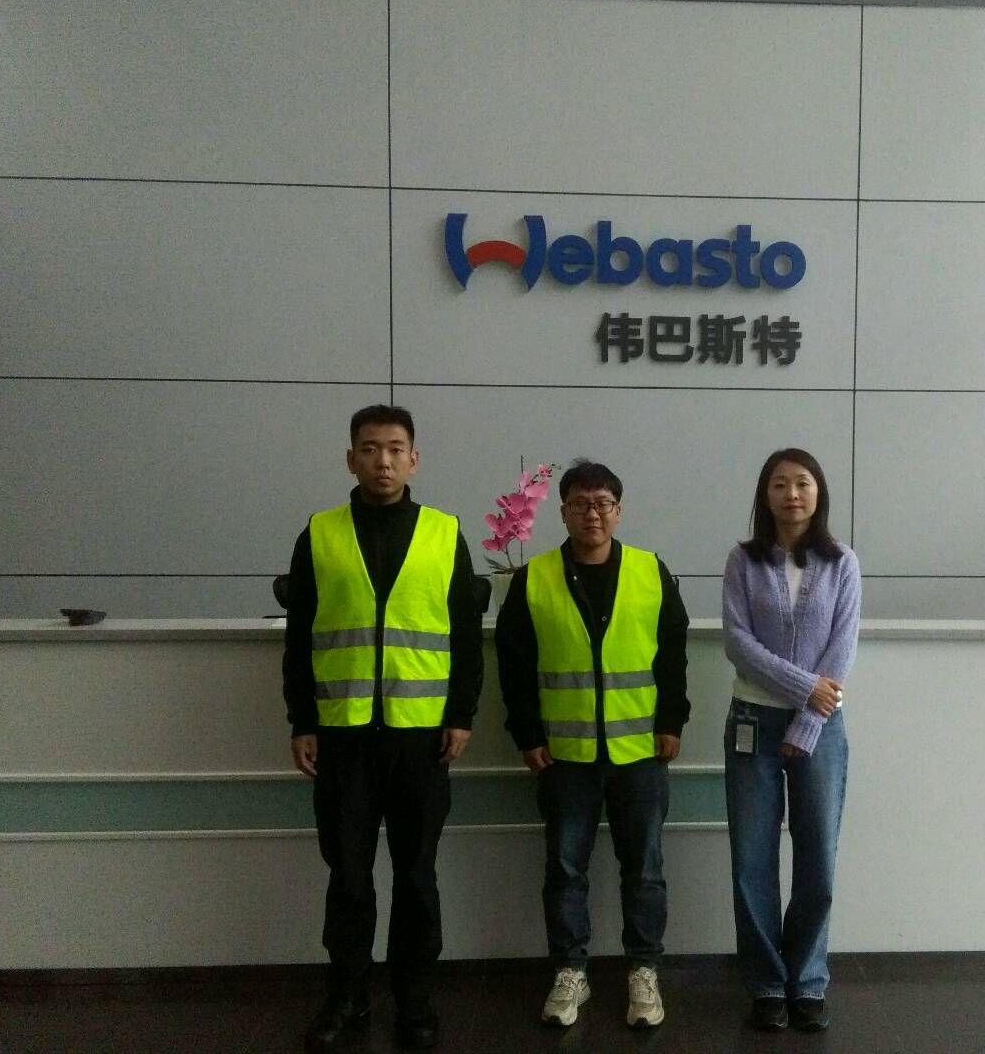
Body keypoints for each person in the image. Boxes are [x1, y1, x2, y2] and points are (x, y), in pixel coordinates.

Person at [282, 404, 483, 1052]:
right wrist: (302, 720)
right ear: (351, 459)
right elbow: (299, 636)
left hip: (422, 739)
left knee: (417, 878)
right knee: (348, 878)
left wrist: (461, 713)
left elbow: (465, 634)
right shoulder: (320, 534)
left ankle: (415, 1000)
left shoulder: (445, 534)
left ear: (414, 459)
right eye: (370, 449)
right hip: (342, 738)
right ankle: (347, 997)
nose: (383, 461)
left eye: (396, 449)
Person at [496, 459, 690, 1030]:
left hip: (640, 753)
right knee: (565, 869)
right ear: (563, 512)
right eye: (580, 504)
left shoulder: (651, 572)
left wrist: (672, 722)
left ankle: (643, 971)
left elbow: (672, 655)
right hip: (565, 755)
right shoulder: (534, 578)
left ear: (619, 511)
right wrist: (527, 734)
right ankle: (570, 972)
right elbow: (514, 665)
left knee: (645, 870)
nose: (592, 514)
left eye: (603, 503)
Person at [721, 448, 860, 1033]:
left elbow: (842, 646)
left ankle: (807, 980)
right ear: (765, 495)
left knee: (817, 859)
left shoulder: (842, 561)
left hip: (820, 730)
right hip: (752, 721)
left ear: (818, 492)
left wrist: (806, 722)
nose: (792, 494)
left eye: (802, 483)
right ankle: (766, 983)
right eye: (779, 484)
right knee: (752, 860)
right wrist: (806, 689)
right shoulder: (743, 559)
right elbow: (737, 642)